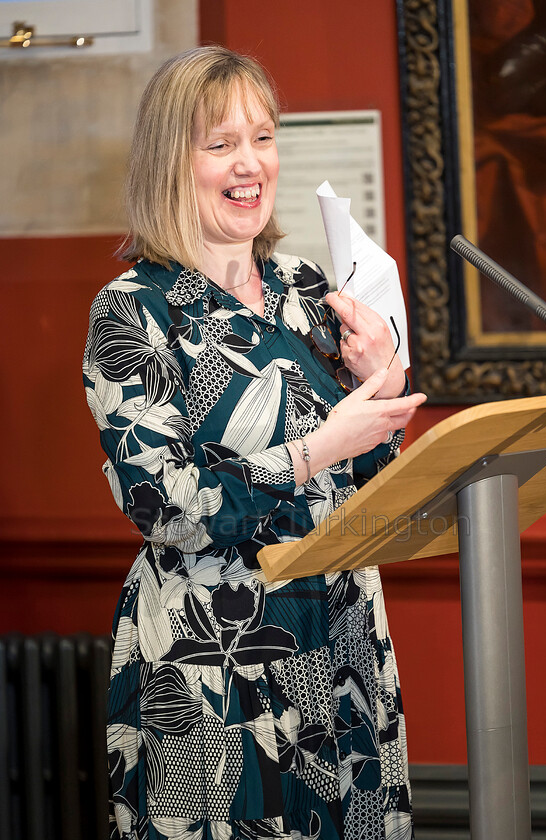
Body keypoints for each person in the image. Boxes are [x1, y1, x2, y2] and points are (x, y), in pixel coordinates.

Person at [83, 45, 426, 840]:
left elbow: (370, 479)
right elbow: (163, 508)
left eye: (263, 138)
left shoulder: (311, 290)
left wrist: (383, 381)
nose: (250, 164)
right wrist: (317, 447)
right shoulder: (135, 311)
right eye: (221, 144)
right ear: (173, 160)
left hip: (338, 633)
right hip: (215, 654)